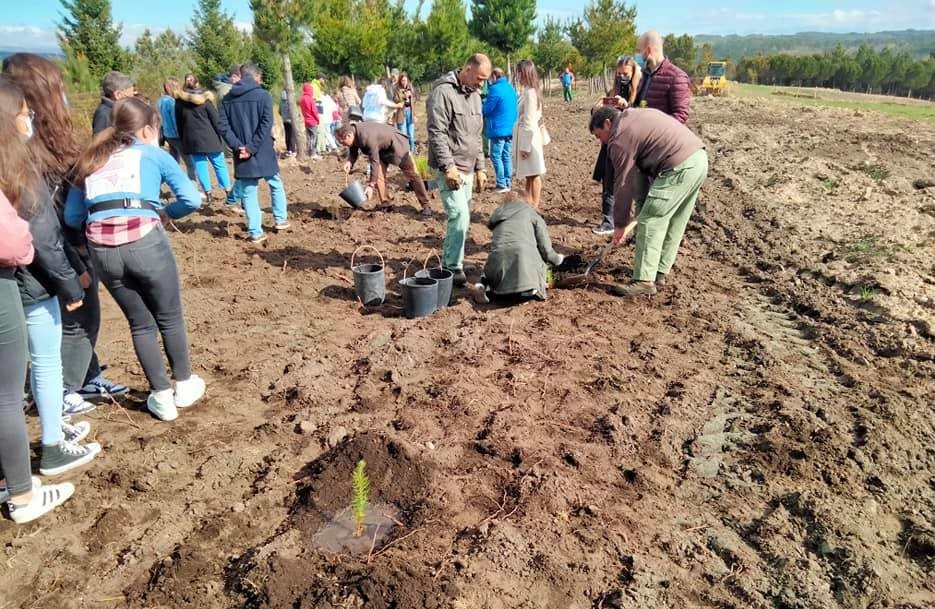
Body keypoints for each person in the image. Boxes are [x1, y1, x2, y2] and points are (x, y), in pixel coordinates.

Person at [64, 97, 207, 421]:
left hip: (103, 251)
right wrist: (167, 214)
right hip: (146, 242)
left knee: (140, 323)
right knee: (169, 317)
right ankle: (184, 385)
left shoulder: (89, 159)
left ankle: (161, 396)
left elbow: (73, 217)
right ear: (147, 129)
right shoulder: (153, 154)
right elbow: (192, 199)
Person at [3, 53, 128, 414]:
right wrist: (69, 271)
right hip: (58, 246)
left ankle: (86, 377)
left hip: (65, 241)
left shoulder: (44, 136)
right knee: (79, 317)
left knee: (80, 319)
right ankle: (62, 392)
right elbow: (42, 222)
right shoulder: (26, 147)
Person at [1, 76, 103, 475]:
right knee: (45, 362)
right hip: (31, 283)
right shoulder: (18, 170)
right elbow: (42, 235)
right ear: (12, 120)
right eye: (27, 114)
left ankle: (53, 428)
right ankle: (54, 445)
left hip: (19, 281)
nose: (31, 120)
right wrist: (68, 281)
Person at [0, 188, 76, 523]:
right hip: (16, 285)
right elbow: (18, 240)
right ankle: (24, 490)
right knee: (8, 395)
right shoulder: (17, 170)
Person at [589, 106, 707, 297]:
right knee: (674, 221)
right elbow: (640, 176)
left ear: (607, 123)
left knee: (650, 221)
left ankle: (644, 280)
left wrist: (619, 224)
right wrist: (640, 206)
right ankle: (659, 272)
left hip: (678, 166)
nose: (600, 141)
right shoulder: (634, 116)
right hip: (698, 159)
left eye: (598, 135)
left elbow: (623, 183)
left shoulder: (619, 138)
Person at [426, 53, 491, 286]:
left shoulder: (474, 96)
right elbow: (437, 133)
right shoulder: (443, 93)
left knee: (464, 218)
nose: (481, 84)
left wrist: (481, 167)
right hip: (450, 167)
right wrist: (448, 167)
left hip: (468, 167)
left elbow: (476, 134)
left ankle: (456, 261)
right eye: (479, 79)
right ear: (467, 69)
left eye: (484, 80)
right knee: (459, 216)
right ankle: (452, 267)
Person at [217, 63, 290, 244]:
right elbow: (266, 125)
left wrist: (239, 147)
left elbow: (224, 128)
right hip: (262, 150)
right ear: (256, 77)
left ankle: (255, 232)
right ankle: (280, 220)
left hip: (241, 153)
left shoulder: (227, 99)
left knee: (249, 191)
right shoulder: (263, 96)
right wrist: (252, 147)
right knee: (275, 183)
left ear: (241, 76)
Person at [473, 196, 569, 304]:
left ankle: (481, 285)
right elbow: (546, 250)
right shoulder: (531, 214)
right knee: (536, 258)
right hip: (524, 262)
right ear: (526, 201)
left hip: (498, 262)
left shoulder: (498, 217)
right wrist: (558, 259)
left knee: (489, 268)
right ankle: (529, 289)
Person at [591, 56, 643, 236]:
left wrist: (627, 106)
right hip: (611, 142)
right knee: (608, 180)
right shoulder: (613, 90)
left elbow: (643, 116)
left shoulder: (641, 92)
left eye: (625, 73)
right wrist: (597, 108)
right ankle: (609, 220)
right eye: (619, 73)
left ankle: (629, 221)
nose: (622, 77)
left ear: (634, 73)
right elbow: (601, 119)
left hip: (630, 144)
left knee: (627, 182)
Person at [336, 122, 431, 216]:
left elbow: (374, 161)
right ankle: (386, 203)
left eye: (342, 142)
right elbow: (353, 149)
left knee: (412, 175)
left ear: (348, 136)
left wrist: (371, 185)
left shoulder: (367, 137)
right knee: (378, 176)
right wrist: (350, 162)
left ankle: (426, 206)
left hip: (396, 144)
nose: (343, 145)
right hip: (381, 149)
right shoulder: (353, 132)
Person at [175, 74, 232, 201]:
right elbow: (215, 120)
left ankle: (208, 193)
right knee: (219, 164)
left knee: (200, 166)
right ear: (197, 83)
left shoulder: (179, 101)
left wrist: (183, 138)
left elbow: (178, 122)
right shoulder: (205, 99)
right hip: (210, 138)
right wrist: (222, 136)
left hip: (192, 139)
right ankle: (227, 190)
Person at [635, 30, 691, 124]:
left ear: (648, 50)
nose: (637, 55)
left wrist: (655, 128)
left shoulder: (676, 77)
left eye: (639, 51)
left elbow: (681, 115)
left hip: (659, 137)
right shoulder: (643, 74)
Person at [513, 60, 547, 209]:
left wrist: (525, 146)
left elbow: (529, 120)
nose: (517, 75)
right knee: (530, 175)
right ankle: (528, 205)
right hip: (529, 137)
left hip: (530, 139)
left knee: (534, 174)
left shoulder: (530, 93)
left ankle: (534, 207)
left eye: (519, 72)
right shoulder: (529, 91)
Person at [482, 68, 518, 194]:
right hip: (510, 127)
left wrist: (480, 105)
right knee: (506, 155)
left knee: (496, 156)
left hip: (498, 128)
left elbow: (487, 109)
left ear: (495, 77)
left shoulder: (495, 89)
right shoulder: (510, 88)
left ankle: (501, 184)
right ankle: (508, 182)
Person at [157, 78, 195, 180]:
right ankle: (192, 184)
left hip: (167, 135)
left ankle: (172, 182)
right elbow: (175, 121)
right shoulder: (172, 102)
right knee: (190, 163)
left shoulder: (160, 101)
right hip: (176, 135)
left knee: (174, 162)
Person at [92, 71, 134, 135]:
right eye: (130, 97)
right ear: (117, 94)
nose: (132, 101)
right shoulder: (104, 114)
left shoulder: (116, 109)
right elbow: (99, 142)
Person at [393, 72, 415, 152]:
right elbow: (395, 100)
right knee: (403, 135)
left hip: (410, 113)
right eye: (402, 80)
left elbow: (414, 101)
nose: (404, 82)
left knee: (411, 136)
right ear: (400, 81)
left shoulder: (410, 88)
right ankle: (405, 152)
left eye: (405, 80)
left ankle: (411, 153)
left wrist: (411, 95)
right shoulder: (396, 89)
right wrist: (404, 96)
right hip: (401, 114)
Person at [300, 82, 321, 160]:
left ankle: (309, 152)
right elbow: (314, 111)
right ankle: (313, 153)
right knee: (314, 137)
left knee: (308, 137)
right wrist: (317, 119)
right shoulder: (310, 99)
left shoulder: (302, 99)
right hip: (312, 121)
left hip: (306, 120)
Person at [279, 91, 297, 158]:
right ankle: (293, 151)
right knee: (292, 136)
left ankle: (288, 150)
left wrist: (284, 116)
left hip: (284, 120)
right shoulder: (290, 100)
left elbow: (279, 111)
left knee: (287, 135)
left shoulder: (281, 100)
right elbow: (292, 111)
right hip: (291, 120)